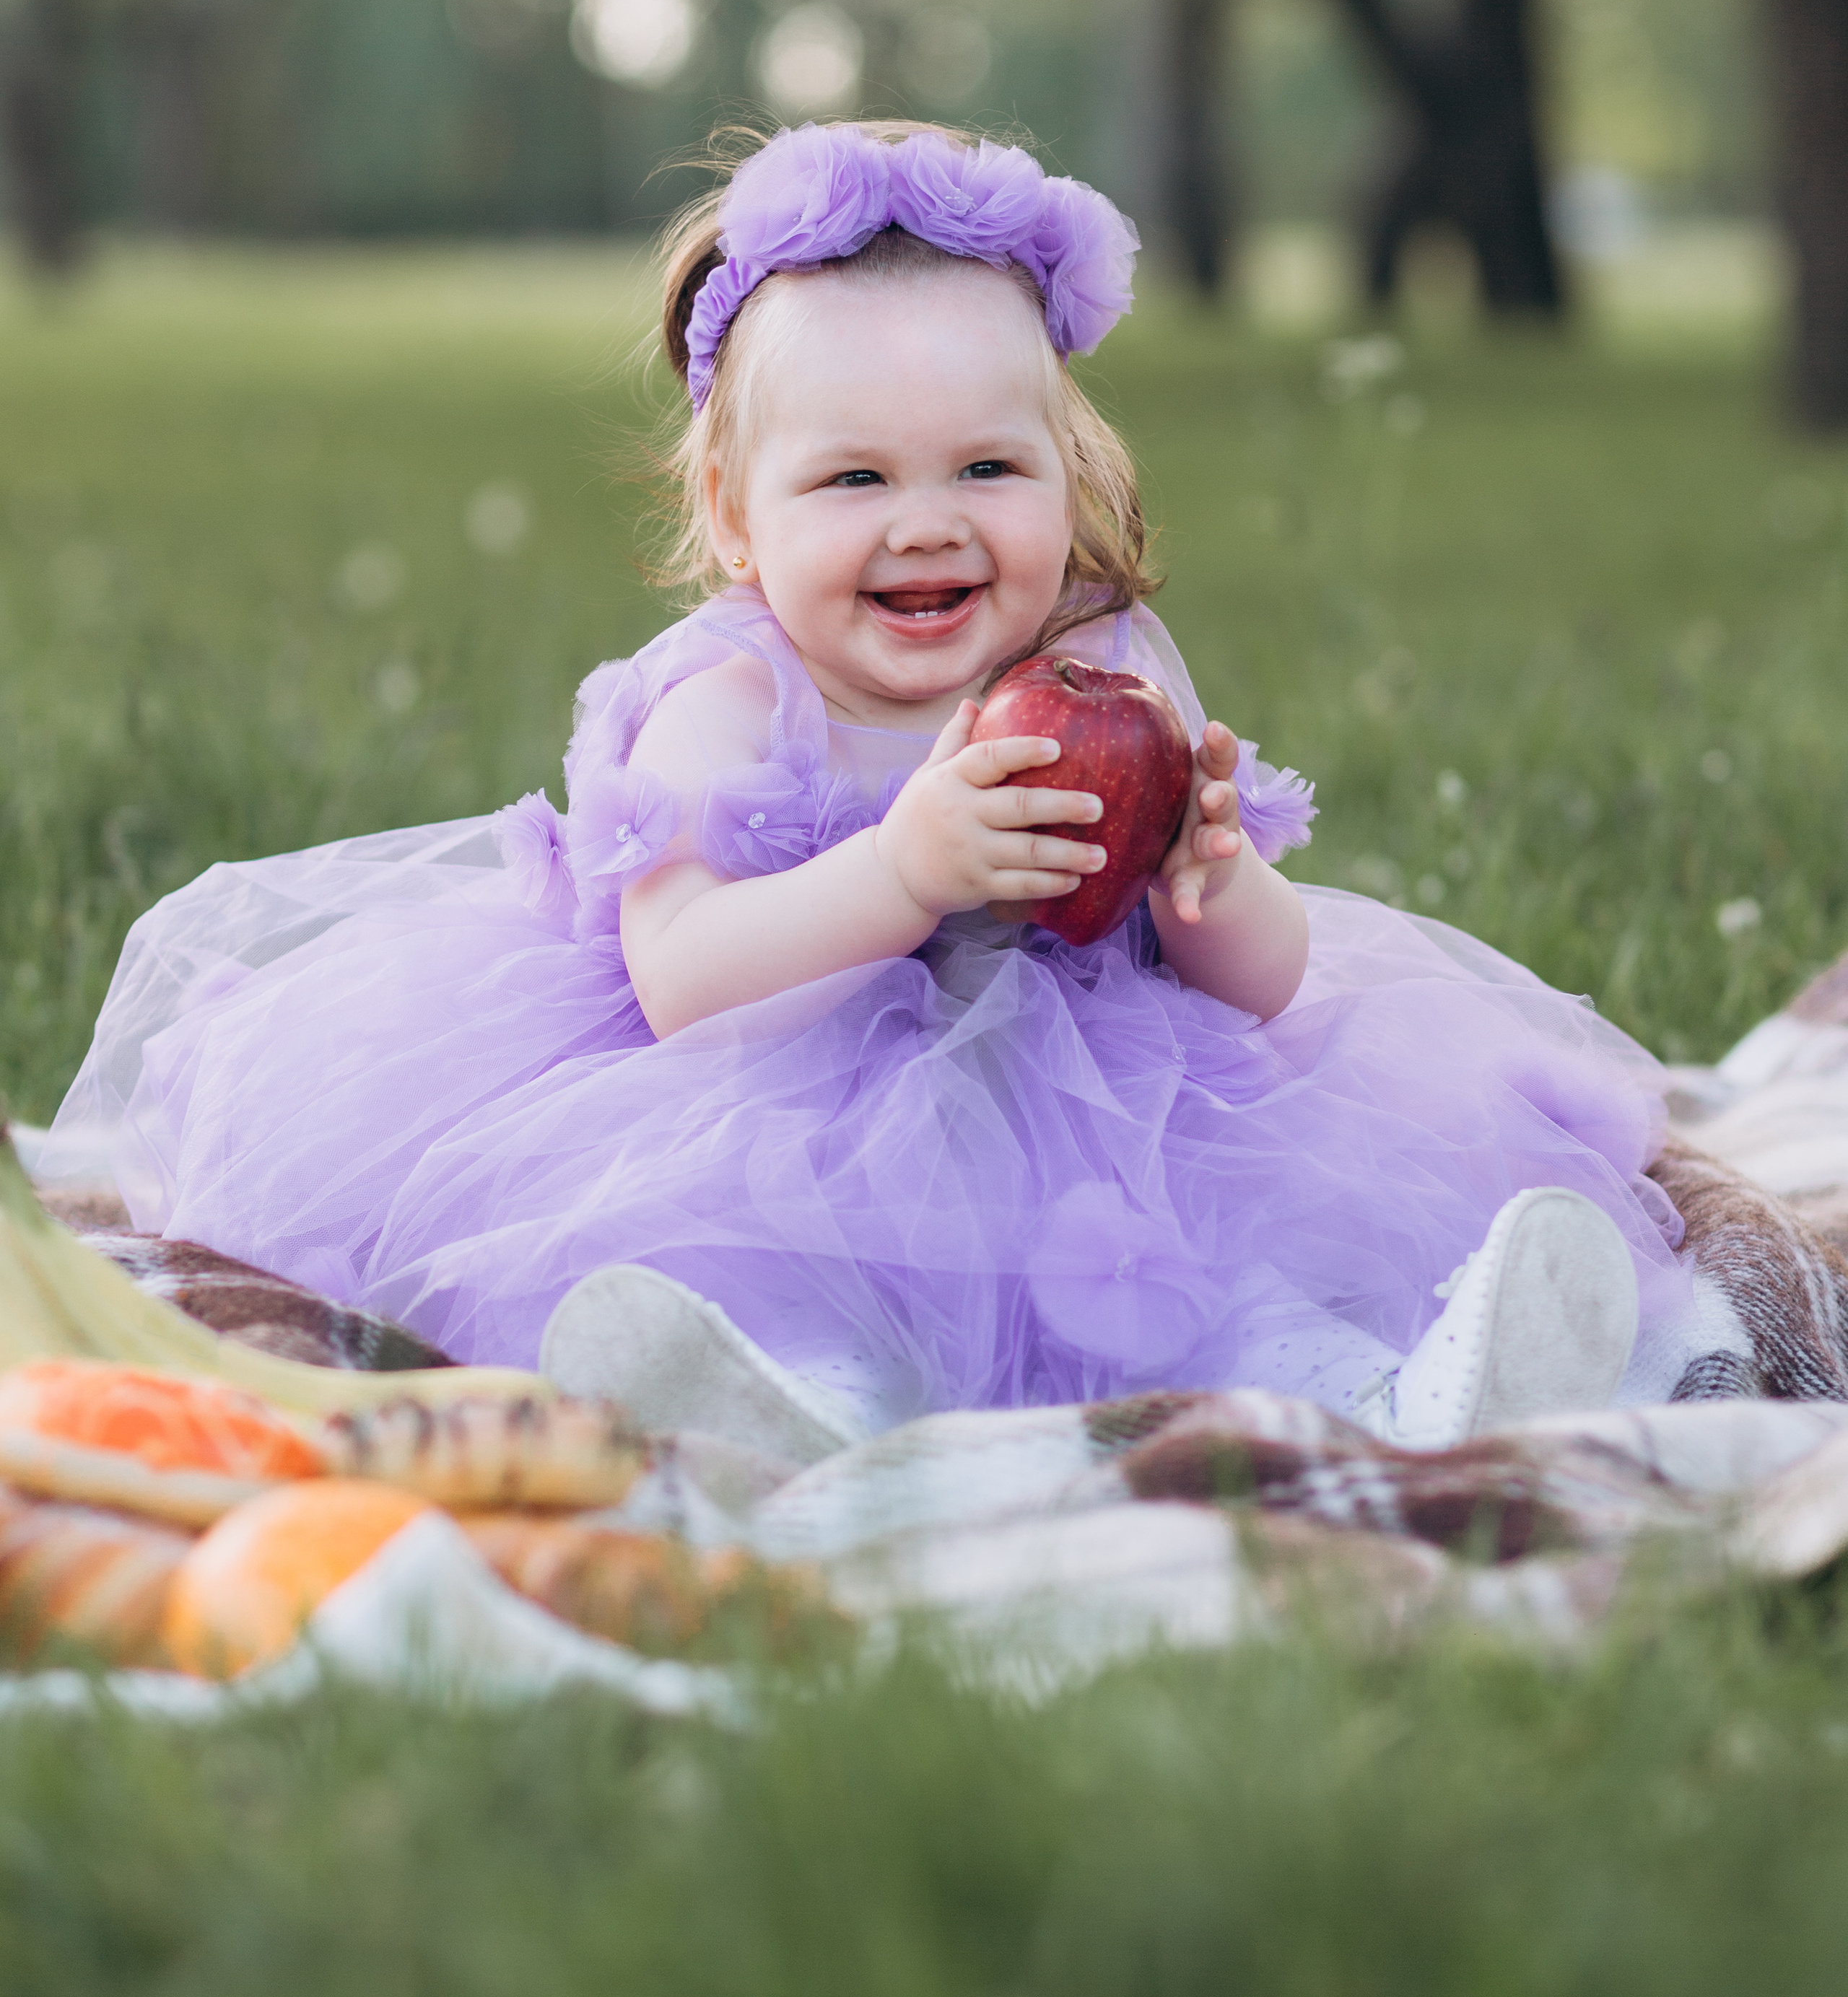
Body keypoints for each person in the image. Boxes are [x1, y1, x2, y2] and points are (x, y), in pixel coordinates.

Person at [48, 120, 1692, 1457]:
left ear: (1071, 473)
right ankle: (759, 1413)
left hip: (1113, 1135)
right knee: (785, 1284)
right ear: (736, 506)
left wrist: (1211, 887)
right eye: (853, 478)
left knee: (1247, 1276)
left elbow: (1265, 999)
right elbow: (683, 984)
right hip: (758, 1121)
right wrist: (905, 870)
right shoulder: (727, 698)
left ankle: (1407, 1390)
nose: (927, 522)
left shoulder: (1098, 670)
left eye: (987, 467)